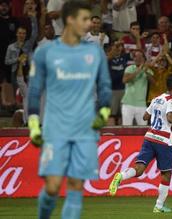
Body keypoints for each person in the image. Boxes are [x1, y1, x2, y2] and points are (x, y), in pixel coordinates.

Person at [27, 2, 112, 219]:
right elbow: (35, 91)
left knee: (75, 186)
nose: (89, 24)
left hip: (85, 129)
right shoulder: (45, 51)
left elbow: (104, 87)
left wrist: (103, 113)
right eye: (84, 19)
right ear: (69, 20)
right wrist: (34, 123)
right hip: (55, 129)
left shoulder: (95, 52)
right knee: (53, 187)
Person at [109, 74, 172, 213]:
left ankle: (121, 176)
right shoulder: (171, 101)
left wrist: (156, 113)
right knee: (166, 174)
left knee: (139, 168)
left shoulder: (157, 98)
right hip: (163, 140)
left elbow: (145, 116)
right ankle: (159, 206)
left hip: (150, 137)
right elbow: (170, 118)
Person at [121, 49, 155, 125]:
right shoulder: (129, 68)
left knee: (143, 130)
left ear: (144, 59)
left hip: (141, 104)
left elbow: (153, 83)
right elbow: (125, 80)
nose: (138, 58)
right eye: (136, 56)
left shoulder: (148, 70)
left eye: (140, 57)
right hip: (128, 104)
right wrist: (139, 70)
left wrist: (145, 71)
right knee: (126, 130)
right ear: (134, 58)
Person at [5, 11, 38, 86]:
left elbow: (34, 33)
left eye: (23, 33)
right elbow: (6, 61)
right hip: (15, 73)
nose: (21, 35)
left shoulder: (28, 44)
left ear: (26, 35)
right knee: (16, 95)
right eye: (20, 33)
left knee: (27, 94)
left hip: (27, 73)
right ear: (16, 34)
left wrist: (33, 19)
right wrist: (17, 59)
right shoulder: (11, 47)